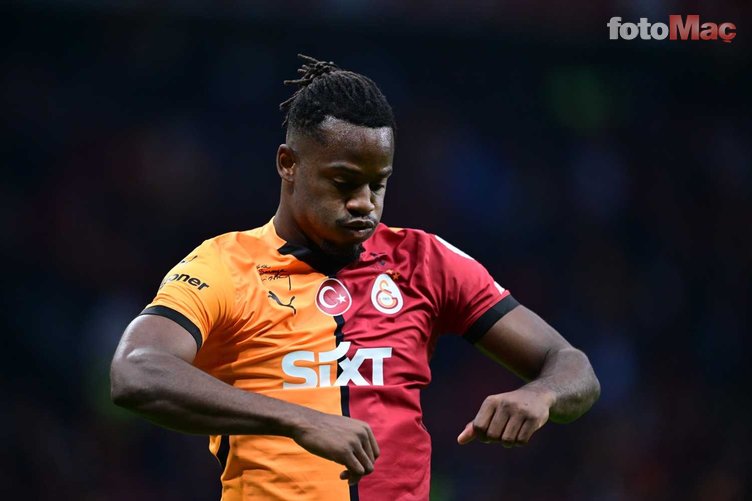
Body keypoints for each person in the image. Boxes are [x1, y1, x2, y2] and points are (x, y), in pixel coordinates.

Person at [110, 54, 600, 501]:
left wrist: (540, 393)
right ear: (288, 164)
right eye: (344, 182)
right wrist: (297, 419)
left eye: (378, 184)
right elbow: (135, 372)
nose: (364, 202)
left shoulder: (425, 262)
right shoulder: (224, 265)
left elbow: (573, 366)